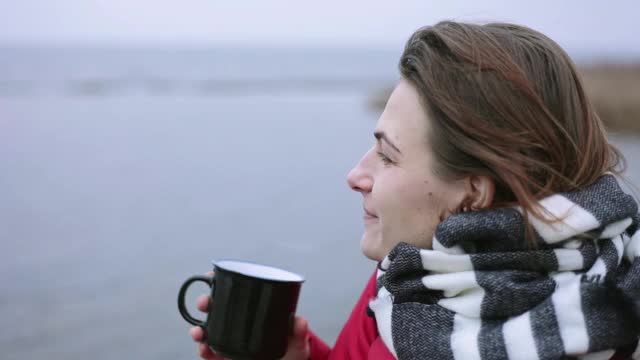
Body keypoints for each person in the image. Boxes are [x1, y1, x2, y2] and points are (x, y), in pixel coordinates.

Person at [188, 21, 640, 359]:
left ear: (473, 193)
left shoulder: (600, 320)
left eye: (388, 155)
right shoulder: (413, 272)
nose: (355, 175)